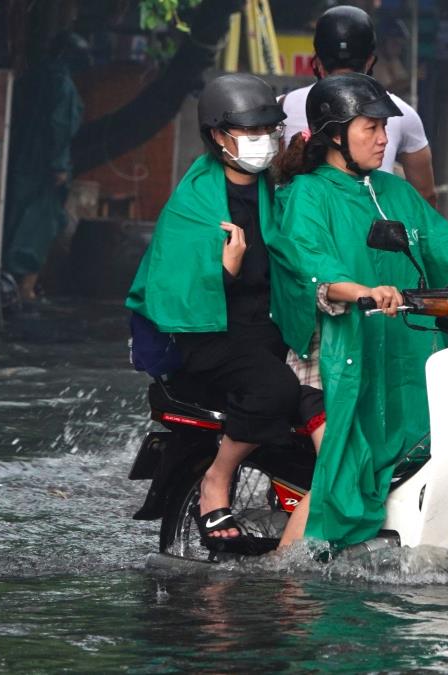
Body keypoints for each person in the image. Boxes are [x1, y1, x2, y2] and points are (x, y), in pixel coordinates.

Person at [265, 73, 448, 550]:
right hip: (330, 351)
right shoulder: (307, 194)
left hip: (399, 341)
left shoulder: (393, 192)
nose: (383, 138)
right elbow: (313, 264)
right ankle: (282, 585)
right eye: (370, 128)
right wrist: (361, 291)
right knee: (344, 466)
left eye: (384, 128)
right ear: (334, 134)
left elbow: (445, 247)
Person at [126, 73, 324, 553]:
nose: (263, 143)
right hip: (206, 339)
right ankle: (218, 478)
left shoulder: (273, 192)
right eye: (251, 134)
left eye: (269, 133)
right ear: (218, 136)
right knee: (274, 388)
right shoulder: (195, 202)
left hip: (263, 334)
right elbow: (171, 287)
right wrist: (224, 271)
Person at [280, 5, 437, 207]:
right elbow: (425, 195)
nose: (382, 139)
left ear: (318, 63)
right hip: (371, 230)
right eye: (372, 127)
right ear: (370, 61)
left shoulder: (283, 106)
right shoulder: (402, 113)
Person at [2, 32, 88, 303]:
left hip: (18, 161)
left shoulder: (31, 77)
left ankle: (9, 282)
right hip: (43, 167)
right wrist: (59, 166)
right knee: (40, 225)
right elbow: (59, 127)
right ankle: (24, 288)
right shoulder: (61, 84)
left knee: (15, 219)